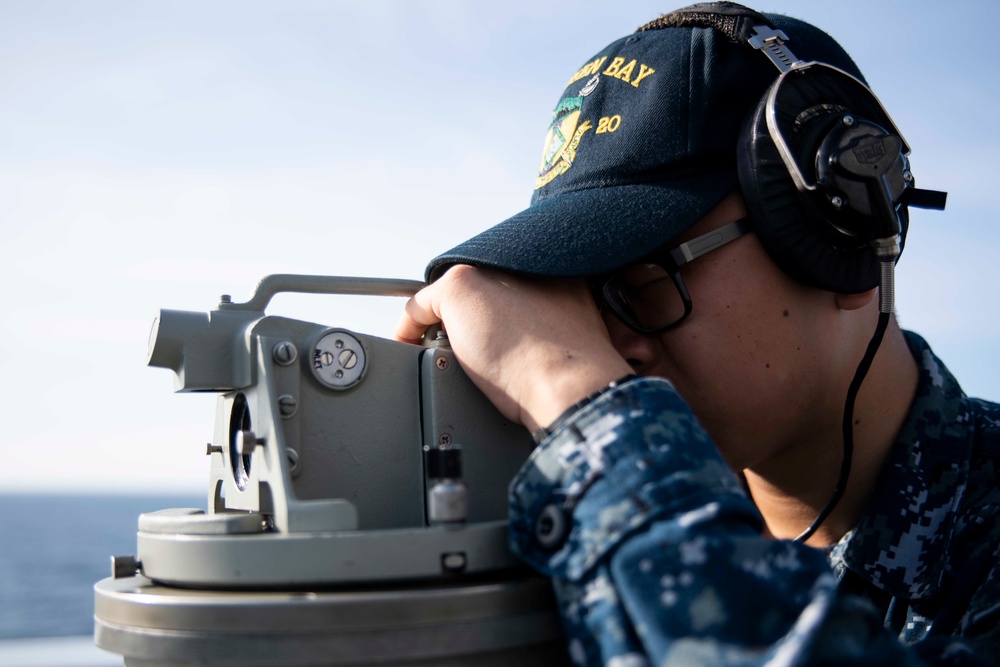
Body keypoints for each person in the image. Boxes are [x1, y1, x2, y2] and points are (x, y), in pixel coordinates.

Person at [394, 3, 1000, 665]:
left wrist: (576, 397)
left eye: (645, 281)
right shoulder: (577, 521)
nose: (610, 346)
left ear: (840, 232)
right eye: (580, 302)